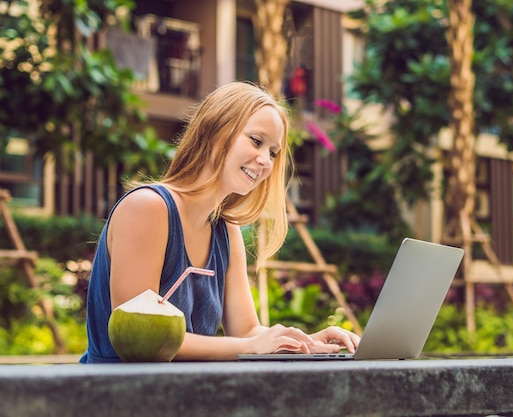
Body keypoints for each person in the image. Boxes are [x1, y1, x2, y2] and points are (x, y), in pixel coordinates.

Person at [79, 81, 360, 363]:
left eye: (273, 153)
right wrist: (252, 346)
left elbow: (247, 331)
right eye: (256, 141)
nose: (265, 160)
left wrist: (303, 343)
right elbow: (140, 339)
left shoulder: (226, 230)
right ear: (214, 131)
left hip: (188, 396)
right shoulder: (148, 207)